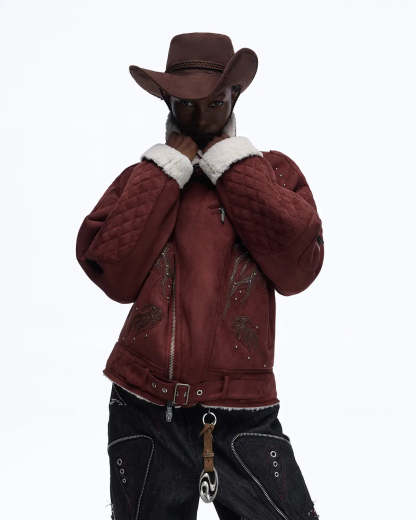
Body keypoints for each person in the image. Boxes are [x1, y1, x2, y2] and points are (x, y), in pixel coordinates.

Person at [76, 32, 323, 520]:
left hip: (242, 407)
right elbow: (113, 273)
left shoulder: (273, 173)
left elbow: (298, 269)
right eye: (186, 104)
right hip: (144, 403)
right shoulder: (144, 179)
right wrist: (166, 169)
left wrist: (233, 166)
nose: (201, 116)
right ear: (168, 103)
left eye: (214, 102)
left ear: (235, 97)